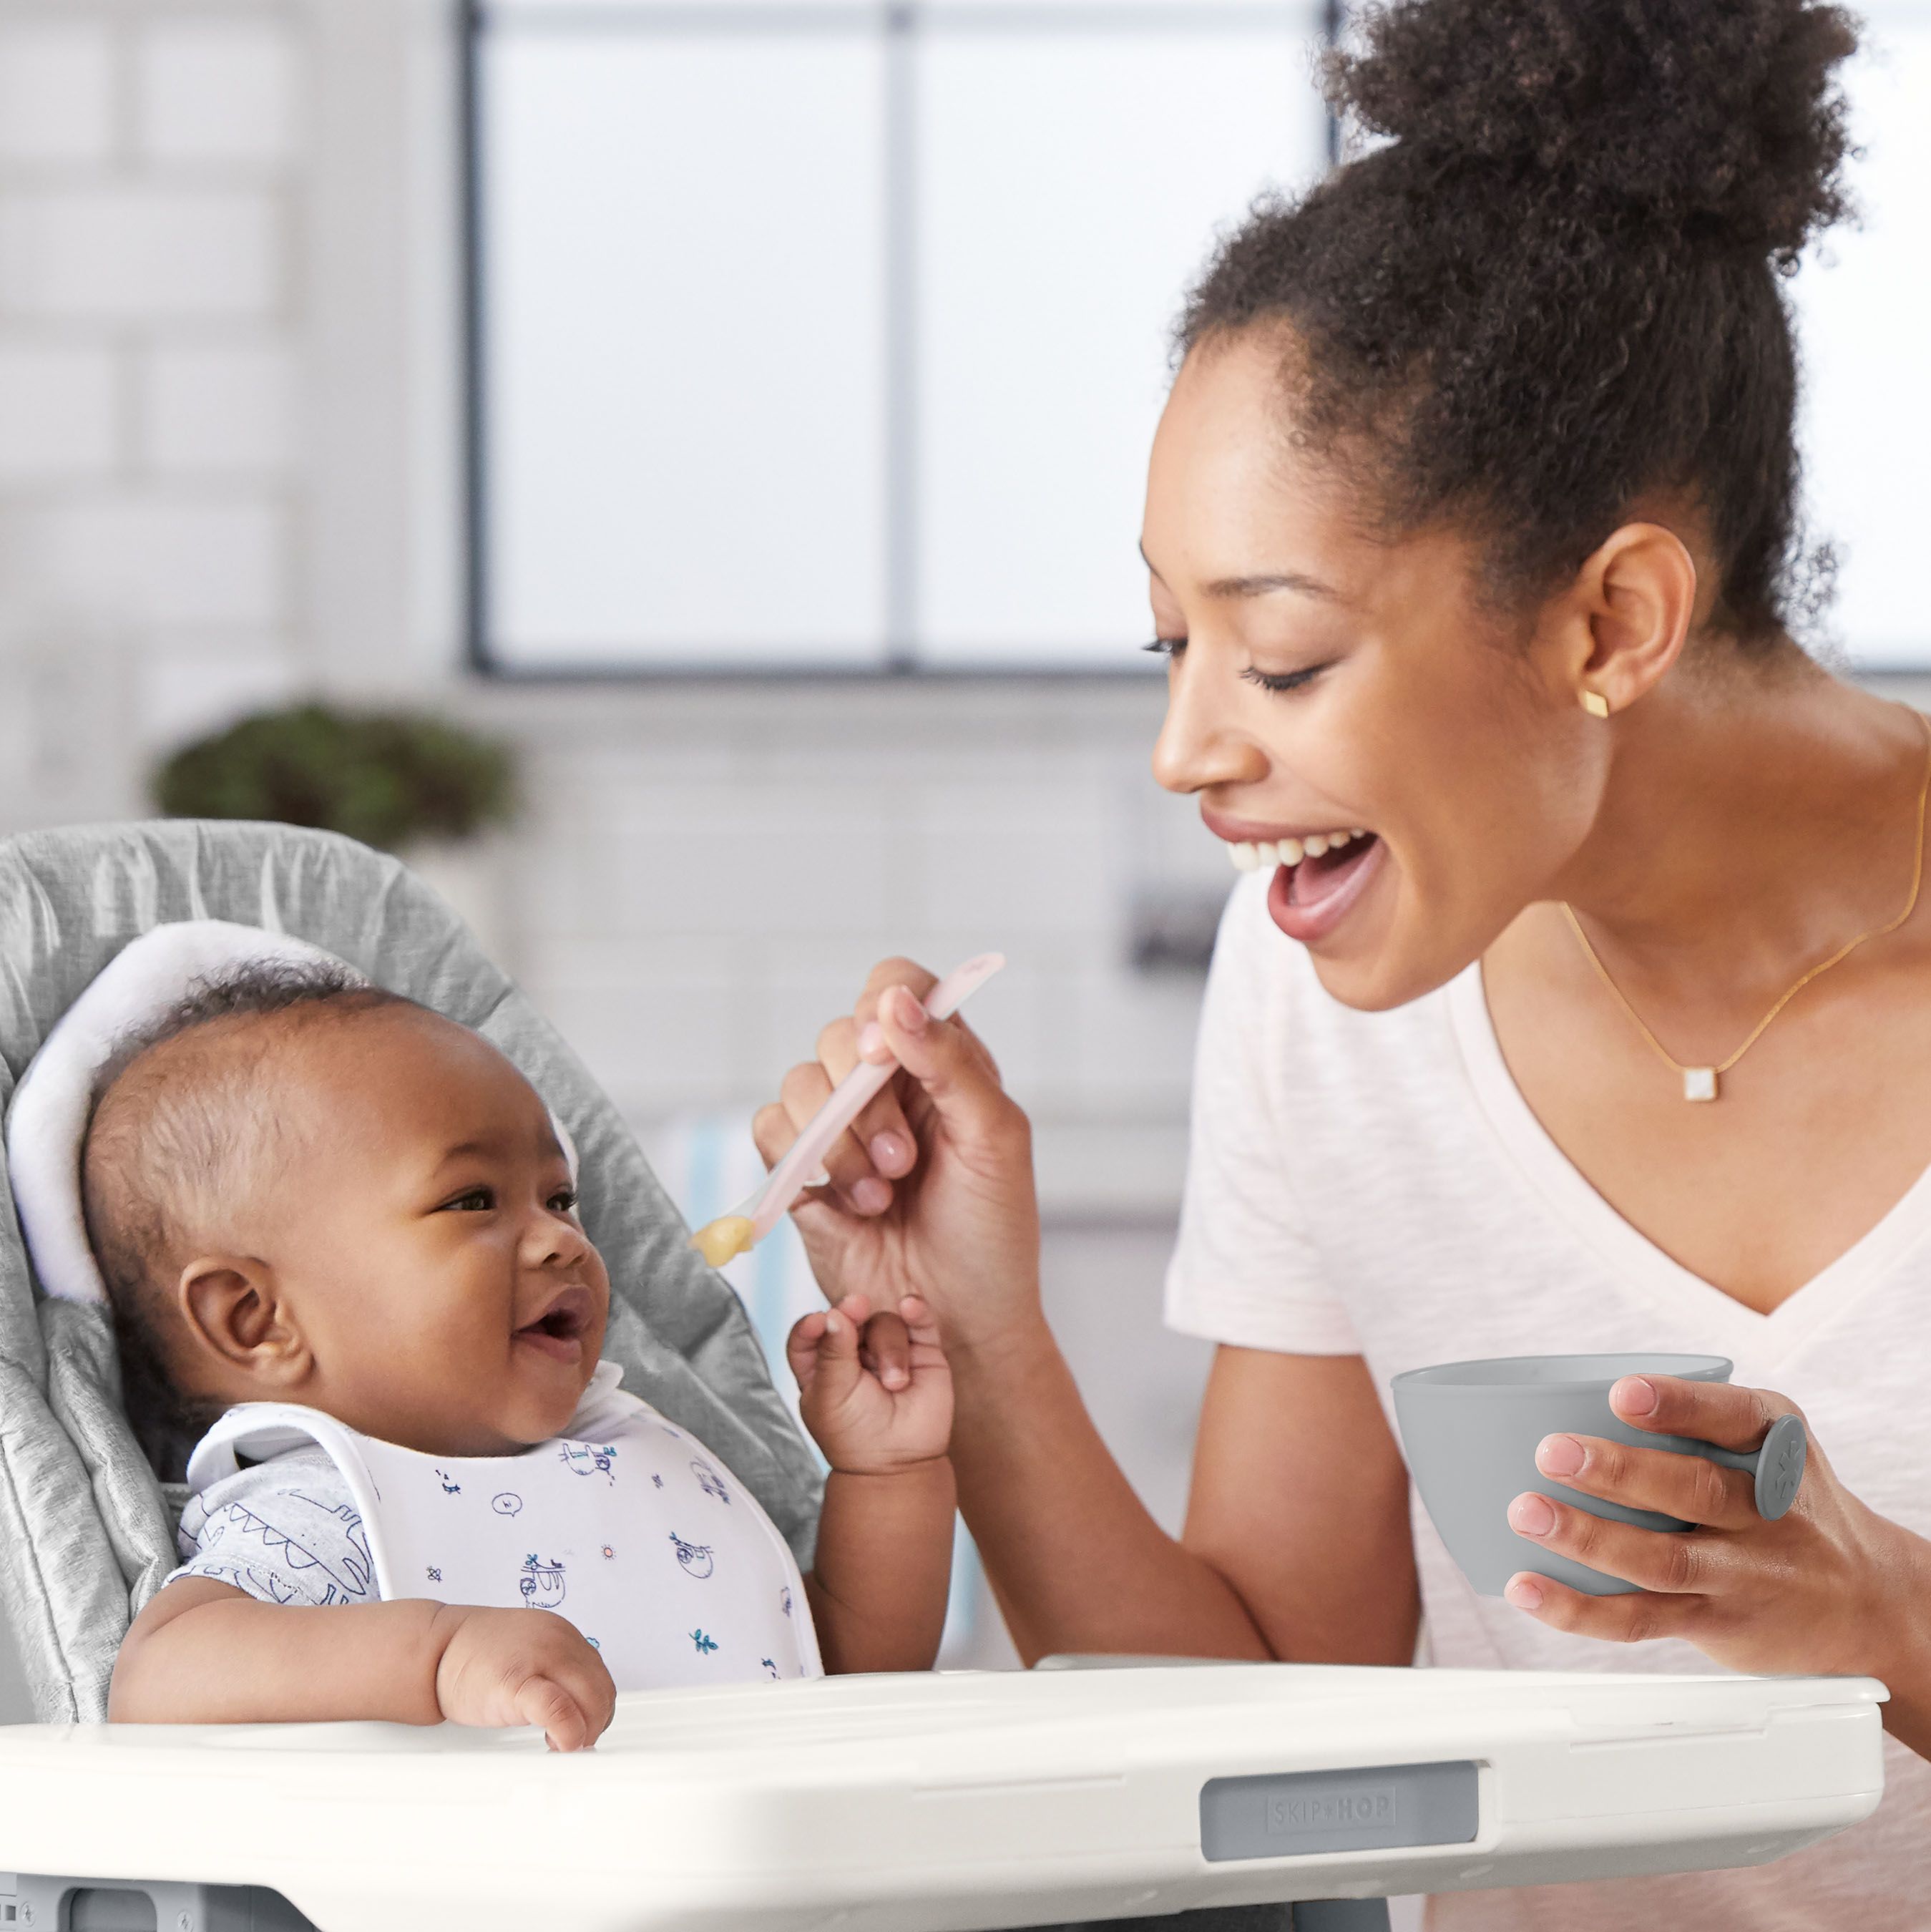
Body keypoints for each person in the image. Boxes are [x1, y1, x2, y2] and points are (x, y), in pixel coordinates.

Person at [753, 0, 1931, 1922]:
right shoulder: (1321, 992)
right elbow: (1272, 1706)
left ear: (1612, 617)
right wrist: (975, 1324)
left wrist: (1892, 1609)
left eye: (1281, 658)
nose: (1191, 751)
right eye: (1173, 647)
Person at [101, 964, 954, 1749]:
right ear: (256, 1320)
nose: (560, 1239)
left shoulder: (634, 1459)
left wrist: (888, 1476)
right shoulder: (327, 1507)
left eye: (559, 1196)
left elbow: (845, 1669)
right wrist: (437, 1655)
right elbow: (159, 1675)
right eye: (472, 1200)